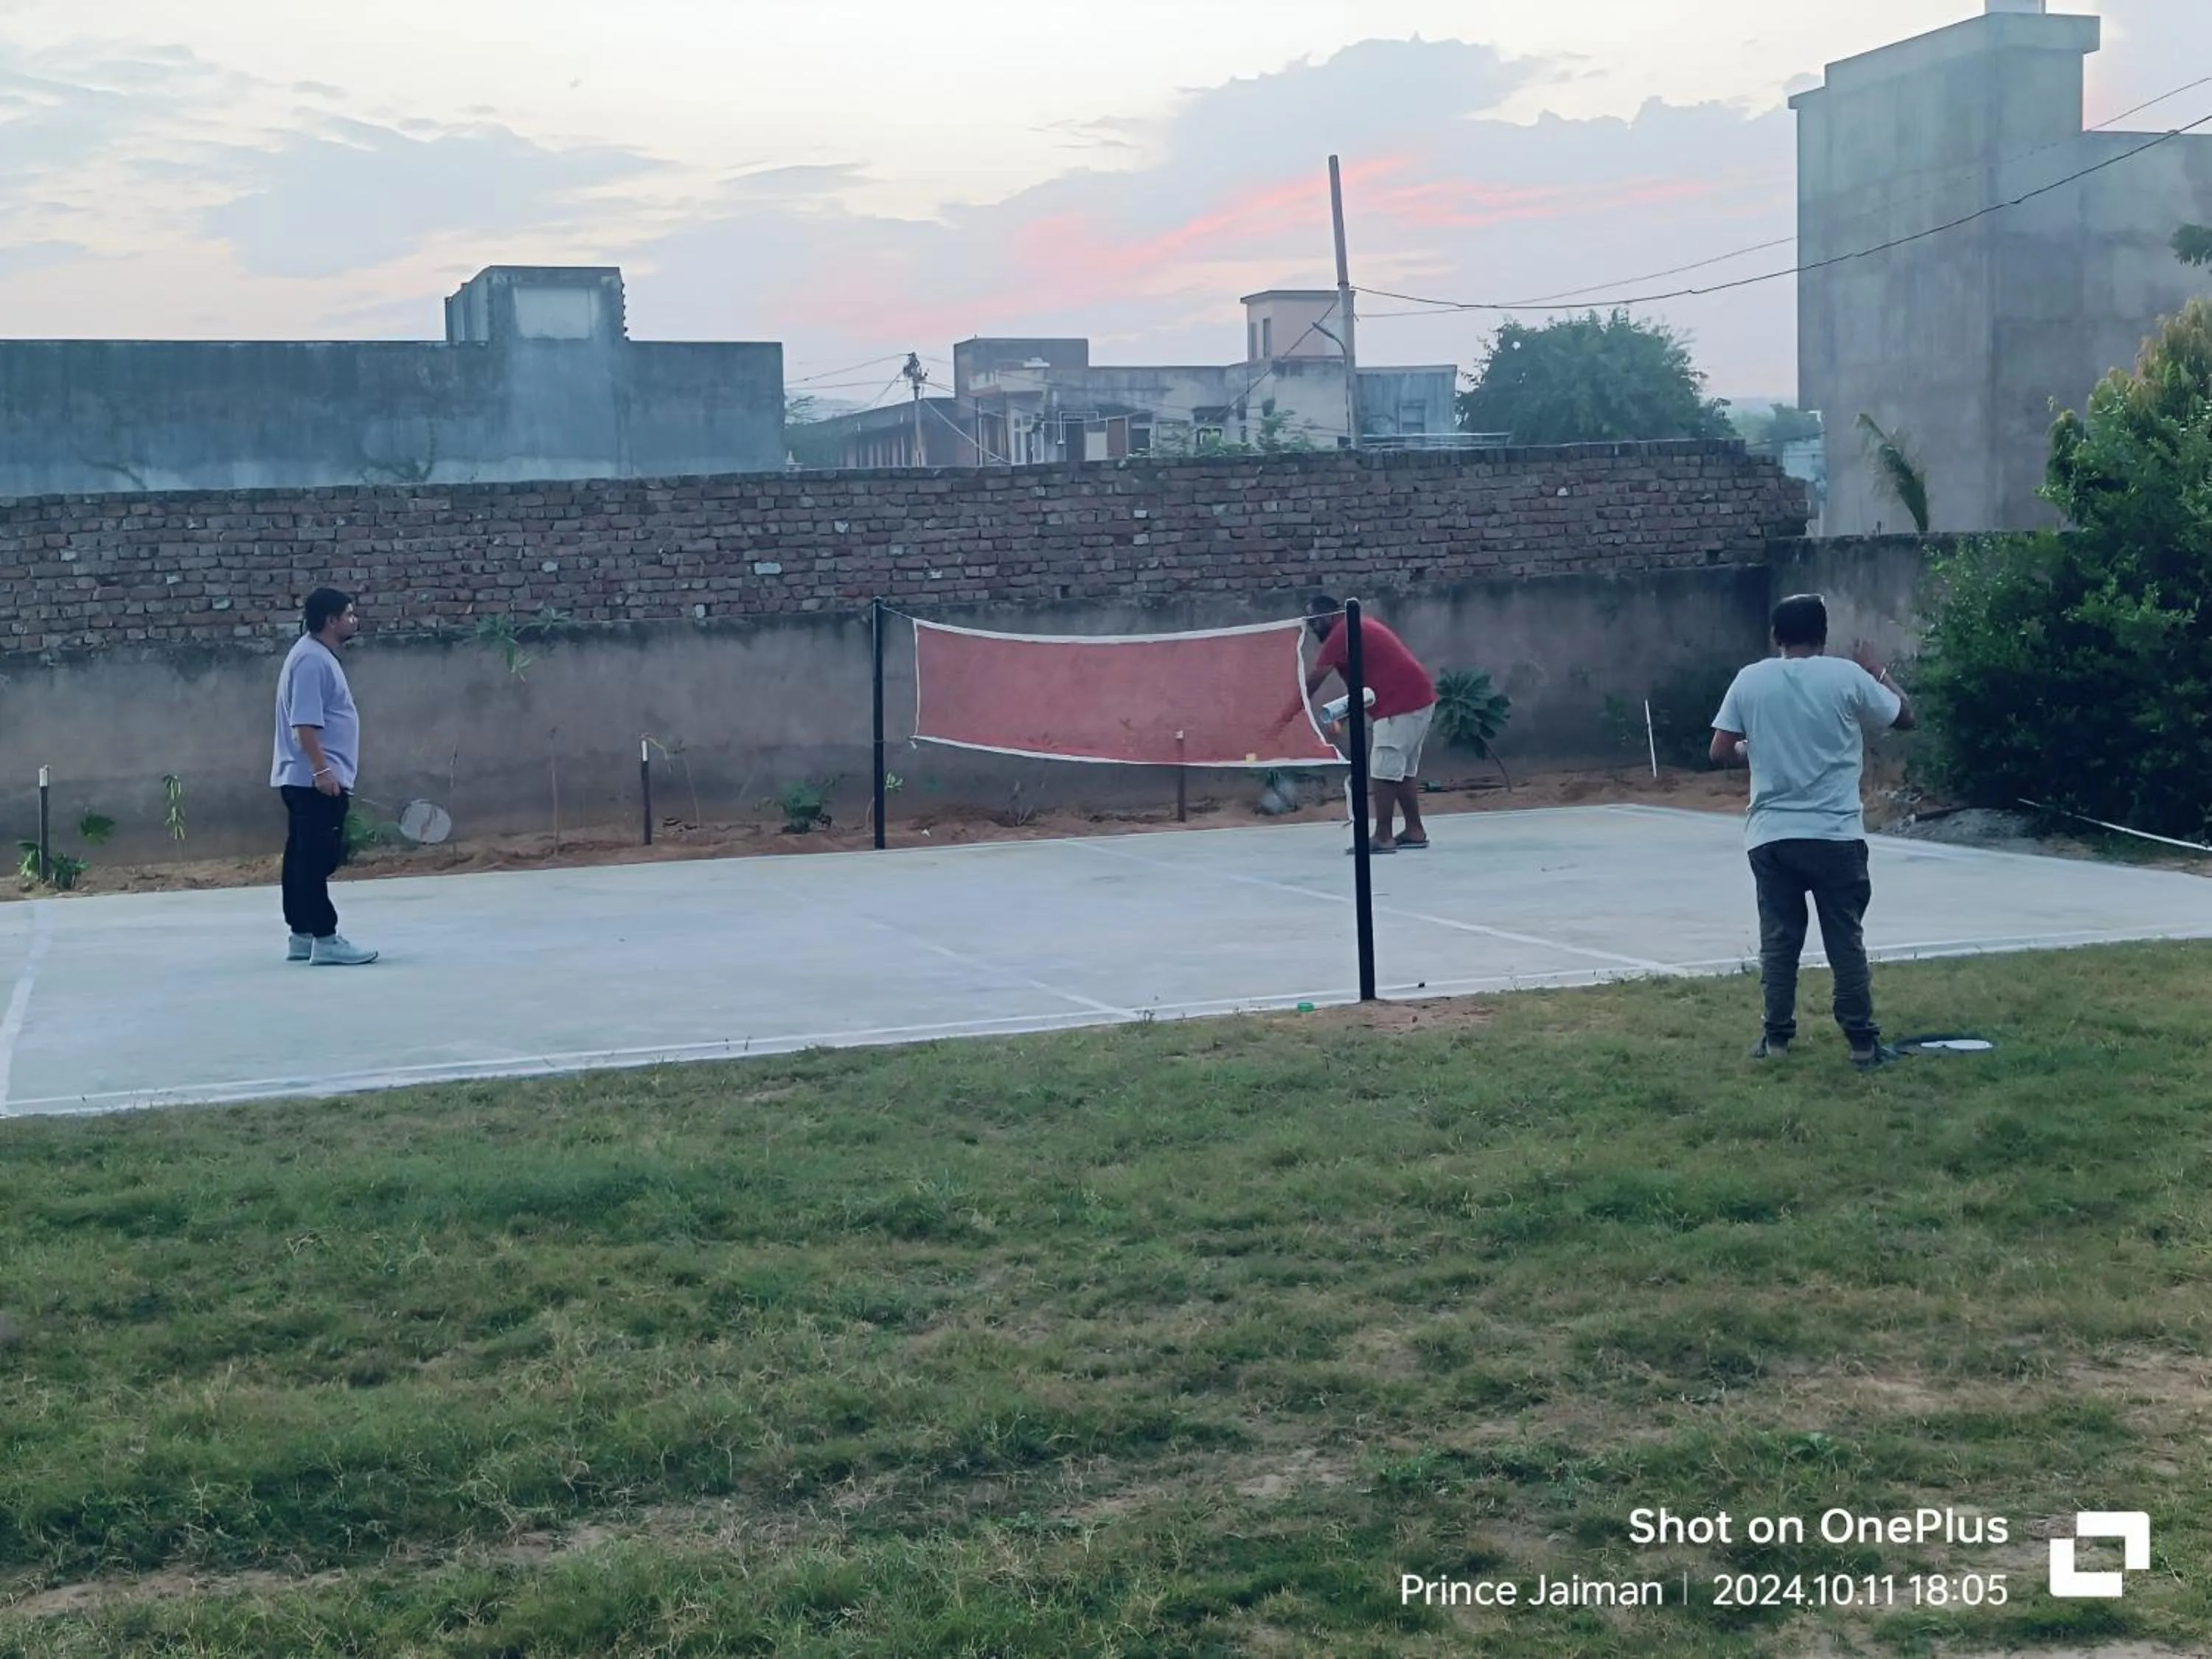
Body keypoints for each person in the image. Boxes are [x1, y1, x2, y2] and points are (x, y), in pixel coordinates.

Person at [1710, 594, 1916, 1069]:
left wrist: (1753, 750)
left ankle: (1776, 1038)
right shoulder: (1845, 676)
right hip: (1836, 833)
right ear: (1823, 636)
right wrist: (1877, 671)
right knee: (1845, 938)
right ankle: (1863, 1044)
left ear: (1775, 637)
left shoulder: (1751, 679)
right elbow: (1905, 717)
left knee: (1780, 941)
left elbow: (1720, 751)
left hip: (1772, 834)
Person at [1273, 595, 1438, 854]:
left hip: (1401, 704)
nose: (1312, 627)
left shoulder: (1340, 634)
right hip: (1418, 698)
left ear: (1328, 617)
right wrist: (1342, 715)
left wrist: (1283, 718)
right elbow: (1362, 684)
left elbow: (1313, 682)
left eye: (1314, 621)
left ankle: (1383, 836)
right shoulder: (1354, 627)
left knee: (1384, 770)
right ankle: (1415, 830)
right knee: (1402, 771)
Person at [271, 588, 378, 966]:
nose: (354, 620)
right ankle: (325, 938)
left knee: (302, 857)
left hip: (310, 778)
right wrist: (322, 770)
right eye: (348, 614)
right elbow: (304, 725)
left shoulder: (313, 656)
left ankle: (301, 935)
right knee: (315, 860)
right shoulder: (312, 661)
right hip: (314, 779)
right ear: (331, 620)